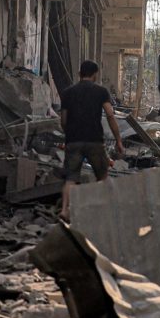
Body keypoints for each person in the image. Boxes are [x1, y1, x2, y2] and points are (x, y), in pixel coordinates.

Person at [59, 60, 124, 222]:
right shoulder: (101, 92)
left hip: (74, 140)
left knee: (71, 178)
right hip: (95, 140)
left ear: (80, 74)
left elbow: (64, 119)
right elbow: (110, 115)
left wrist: (69, 135)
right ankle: (104, 210)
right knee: (102, 176)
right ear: (95, 75)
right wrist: (118, 140)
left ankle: (65, 210)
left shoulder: (67, 92)